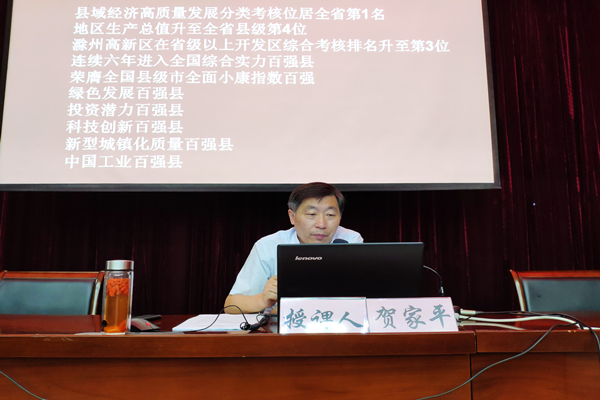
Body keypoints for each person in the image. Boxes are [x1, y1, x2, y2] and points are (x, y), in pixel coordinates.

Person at [224, 182, 363, 314]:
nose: (321, 224)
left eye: (330, 215)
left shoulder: (350, 241)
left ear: (340, 217)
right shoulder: (268, 246)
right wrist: (262, 300)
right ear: (292, 216)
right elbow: (231, 305)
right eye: (311, 214)